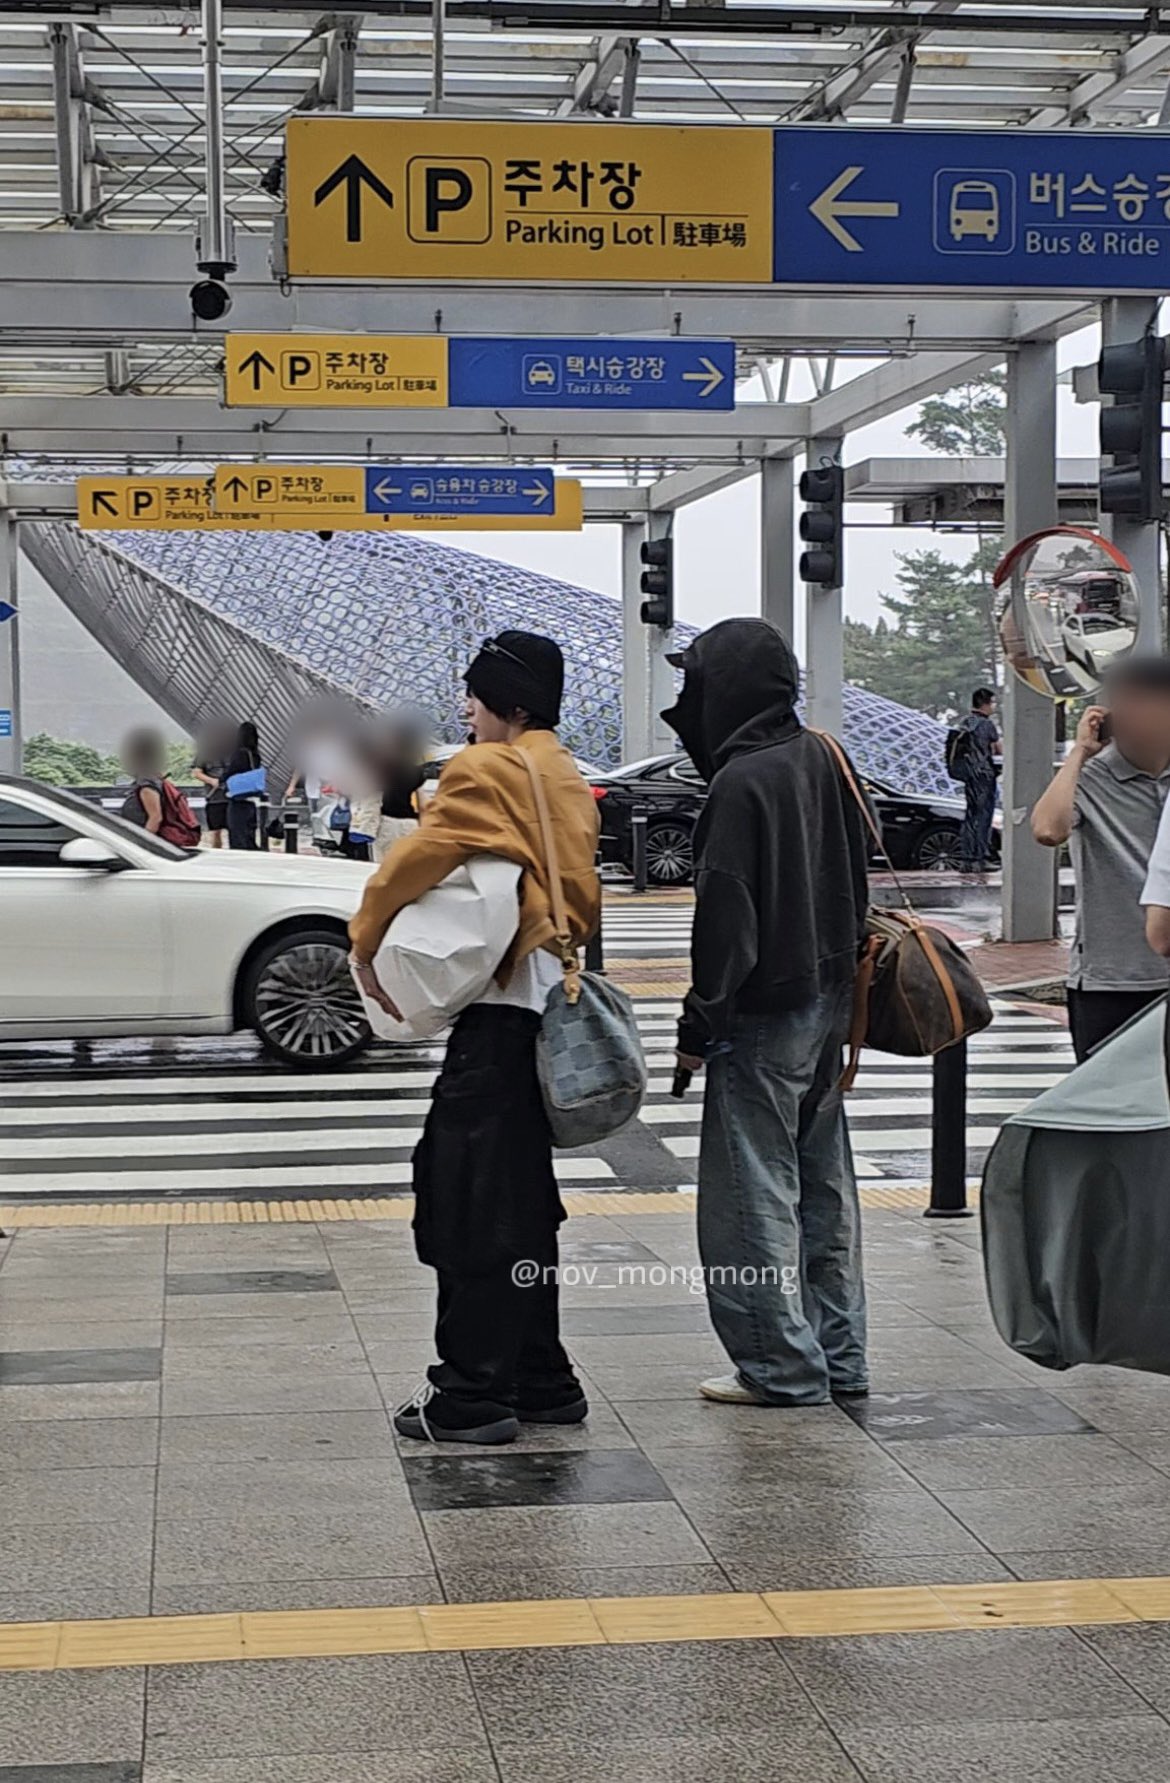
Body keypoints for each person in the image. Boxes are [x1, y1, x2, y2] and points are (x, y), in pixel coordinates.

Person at [349, 632, 600, 1445]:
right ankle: (542, 1375)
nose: (465, 708)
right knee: (522, 1200)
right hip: (545, 1004)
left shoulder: (487, 769)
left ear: (512, 703)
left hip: (495, 1014)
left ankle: (471, 1393)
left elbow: (416, 861)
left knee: (467, 1201)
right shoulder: (560, 770)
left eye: (476, 696)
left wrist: (363, 935)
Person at [665, 618, 871, 1408]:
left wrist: (696, 1030)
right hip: (829, 1000)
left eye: (699, 683)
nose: (690, 701)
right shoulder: (824, 754)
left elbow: (725, 925)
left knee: (750, 1194)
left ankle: (778, 1365)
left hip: (760, 1013)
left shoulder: (740, 782)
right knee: (824, 1187)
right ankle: (841, 1358)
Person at [1032, 656, 1170, 1063]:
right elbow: (1047, 830)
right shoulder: (1092, 777)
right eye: (1121, 704)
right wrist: (1079, 754)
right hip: (1109, 981)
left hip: (1166, 967)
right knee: (1103, 1112)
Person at [119, 728, 200, 847]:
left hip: (153, 845)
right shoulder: (152, 778)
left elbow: (155, 818)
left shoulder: (146, 783)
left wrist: (142, 846)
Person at [953, 688, 1001, 874]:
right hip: (984, 774)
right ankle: (980, 858)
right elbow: (997, 749)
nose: (994, 706)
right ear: (986, 704)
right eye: (993, 703)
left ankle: (966, 859)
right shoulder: (986, 725)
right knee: (983, 816)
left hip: (968, 775)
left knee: (971, 816)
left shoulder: (965, 723)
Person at [192, 718, 233, 849]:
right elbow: (197, 772)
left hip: (232, 797)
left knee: (234, 829)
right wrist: (211, 781)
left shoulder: (233, 753)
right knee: (215, 830)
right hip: (214, 798)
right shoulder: (205, 753)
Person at [225, 720, 263, 852]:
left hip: (238, 799)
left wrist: (221, 780)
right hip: (250, 800)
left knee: (237, 834)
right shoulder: (255, 755)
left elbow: (230, 773)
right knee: (249, 834)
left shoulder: (239, 753)